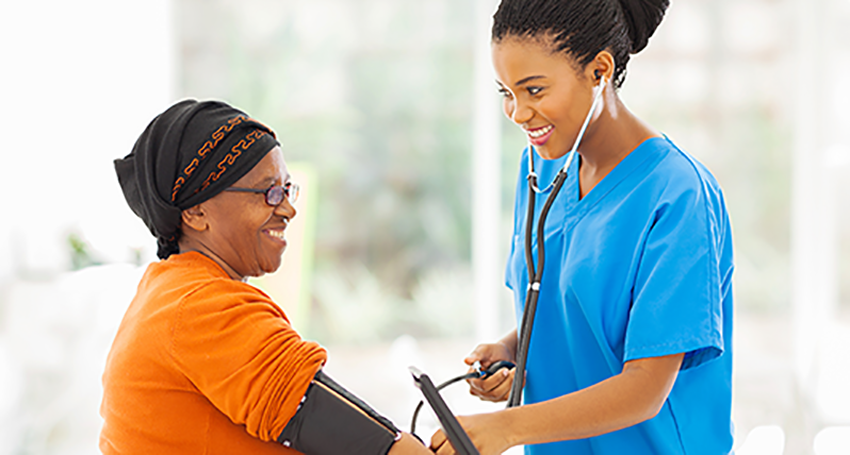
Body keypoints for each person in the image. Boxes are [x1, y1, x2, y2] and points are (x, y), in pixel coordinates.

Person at [430, 1, 734, 454]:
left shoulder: (678, 194)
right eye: (506, 93)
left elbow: (645, 387)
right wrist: (512, 349)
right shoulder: (540, 167)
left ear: (599, 71)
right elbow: (565, 309)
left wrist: (507, 427)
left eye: (534, 90)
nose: (517, 113)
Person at [103, 99, 431, 455]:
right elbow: (378, 448)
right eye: (268, 193)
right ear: (196, 212)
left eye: (287, 190)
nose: (288, 209)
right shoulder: (201, 308)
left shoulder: (170, 291)